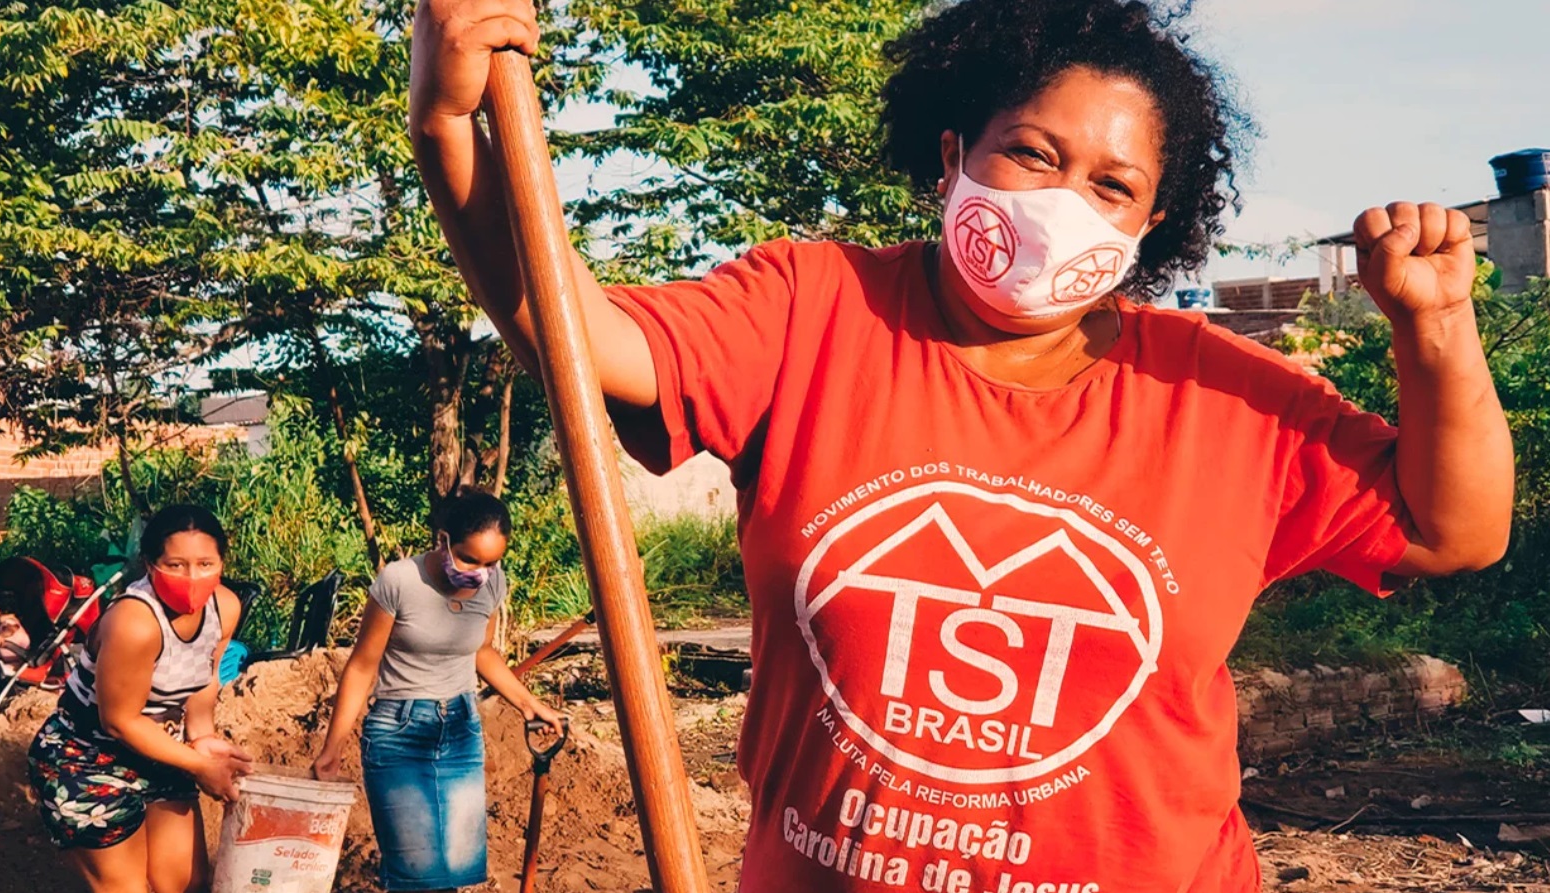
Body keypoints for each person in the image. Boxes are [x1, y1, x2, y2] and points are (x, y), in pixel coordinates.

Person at [409, 1, 1514, 890]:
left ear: (1149, 226)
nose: (1065, 204)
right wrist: (450, 129)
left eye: (1113, 186)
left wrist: (1436, 329)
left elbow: (1455, 530)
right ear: (953, 156)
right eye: (1032, 154)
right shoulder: (811, 309)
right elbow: (576, 334)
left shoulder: (1223, 394)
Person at [312, 487, 565, 893]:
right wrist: (333, 747)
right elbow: (361, 666)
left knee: (452, 872)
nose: (479, 572)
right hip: (399, 734)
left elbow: (483, 651)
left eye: (491, 563)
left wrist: (528, 704)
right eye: (469, 559)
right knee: (416, 876)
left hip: (461, 731)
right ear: (444, 539)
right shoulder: (400, 581)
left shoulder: (493, 584)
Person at [28, 505, 253, 892]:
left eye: (205, 564)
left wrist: (202, 739)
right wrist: (200, 766)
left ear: (221, 562)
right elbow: (119, 721)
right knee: (126, 887)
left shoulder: (225, 607)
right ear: (151, 564)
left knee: (186, 884)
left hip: (158, 749)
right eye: (176, 565)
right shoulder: (134, 623)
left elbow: (204, 683)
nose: (193, 577)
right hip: (86, 756)